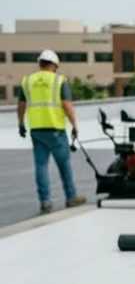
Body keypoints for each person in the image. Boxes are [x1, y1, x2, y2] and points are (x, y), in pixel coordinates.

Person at [17, 49, 87, 214]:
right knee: (64, 164)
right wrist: (75, 125)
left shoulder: (27, 80)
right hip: (55, 129)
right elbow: (66, 104)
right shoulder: (59, 80)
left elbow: (21, 105)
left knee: (41, 165)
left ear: (40, 64)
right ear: (54, 65)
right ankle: (71, 197)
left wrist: (21, 124)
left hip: (36, 129)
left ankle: (45, 201)